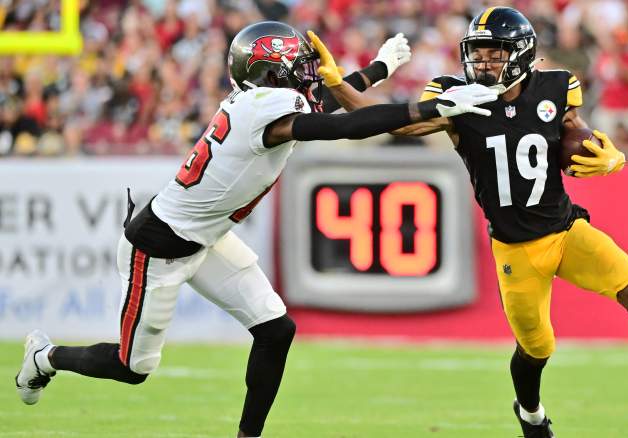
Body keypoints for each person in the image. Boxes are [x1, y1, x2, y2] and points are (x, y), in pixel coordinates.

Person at [13, 21, 498, 438]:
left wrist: (380, 68)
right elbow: (346, 127)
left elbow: (327, 106)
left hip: (206, 237)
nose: (308, 74)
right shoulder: (266, 110)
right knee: (132, 368)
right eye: (298, 66)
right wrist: (435, 108)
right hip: (158, 248)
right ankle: (45, 357)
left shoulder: (263, 102)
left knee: (276, 330)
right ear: (273, 71)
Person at [341, 7, 628, 437]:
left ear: (523, 55)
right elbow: (381, 121)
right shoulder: (459, 99)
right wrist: (338, 84)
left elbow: (576, 131)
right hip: (516, 248)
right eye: (480, 55)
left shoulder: (556, 87)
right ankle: (530, 415)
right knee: (537, 346)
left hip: (565, 230)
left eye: (495, 55)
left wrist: (609, 153)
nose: (484, 64)